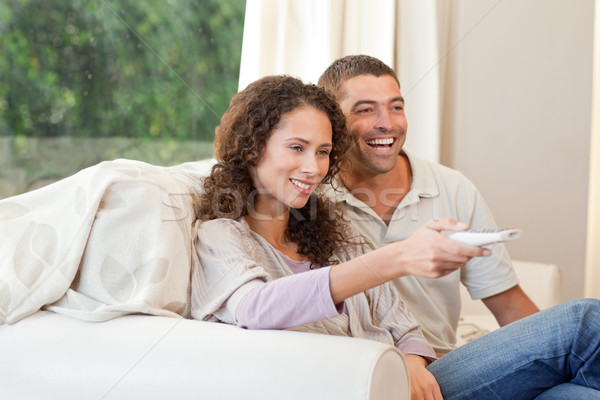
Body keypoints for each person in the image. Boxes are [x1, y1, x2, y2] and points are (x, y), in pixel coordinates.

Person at [190, 74, 600, 400]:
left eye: (322, 151)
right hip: (358, 389)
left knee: (573, 395)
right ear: (252, 148)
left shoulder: (331, 232)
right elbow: (256, 309)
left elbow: (402, 325)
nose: (313, 167)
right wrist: (399, 258)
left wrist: (412, 362)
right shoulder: (220, 236)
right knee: (583, 320)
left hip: (411, 384)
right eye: (296, 147)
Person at [317, 54, 539, 354]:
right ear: (332, 123)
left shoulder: (453, 187)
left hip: (447, 366)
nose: (388, 124)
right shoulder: (311, 198)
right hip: (365, 368)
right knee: (584, 319)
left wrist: (556, 356)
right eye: (366, 110)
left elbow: (509, 306)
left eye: (396, 107)